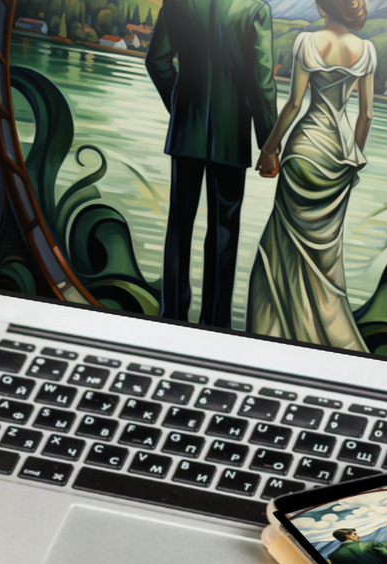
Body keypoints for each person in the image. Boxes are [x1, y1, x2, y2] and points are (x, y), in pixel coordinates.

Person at [246, 0, 376, 349]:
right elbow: (366, 115)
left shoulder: (306, 43)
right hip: (339, 156)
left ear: (324, 6)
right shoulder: (366, 51)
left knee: (280, 245)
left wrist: (270, 148)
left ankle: (270, 335)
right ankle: (325, 340)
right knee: (327, 259)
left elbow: (293, 105)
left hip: (304, 151)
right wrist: (354, 160)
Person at [146, 0, 278, 328]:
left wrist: (179, 106)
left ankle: (171, 314)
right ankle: (215, 322)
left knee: (179, 224)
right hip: (231, 135)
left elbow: (157, 61)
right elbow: (261, 82)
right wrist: (268, 142)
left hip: (185, 131)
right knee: (224, 231)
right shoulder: (255, 10)